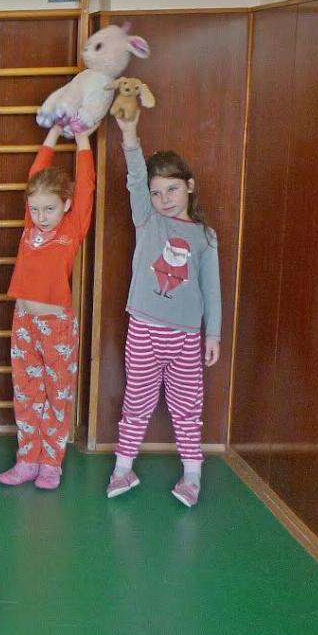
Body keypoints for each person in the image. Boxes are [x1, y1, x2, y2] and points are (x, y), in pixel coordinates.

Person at [107, 112, 221, 507]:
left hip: (187, 337)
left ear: (189, 186)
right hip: (144, 330)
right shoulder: (147, 220)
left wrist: (213, 334)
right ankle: (123, 468)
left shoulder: (205, 237)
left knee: (187, 408)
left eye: (172, 189)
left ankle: (192, 475)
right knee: (136, 401)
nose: (164, 199)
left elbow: (212, 289)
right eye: (156, 193)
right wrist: (129, 133)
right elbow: (135, 177)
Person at [0, 124, 96, 490]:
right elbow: (36, 172)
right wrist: (52, 132)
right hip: (24, 321)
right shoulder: (30, 225)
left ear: (66, 205)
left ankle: (51, 463)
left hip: (57, 326)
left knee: (57, 396)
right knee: (26, 392)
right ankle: (27, 459)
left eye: (49, 208)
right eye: (35, 208)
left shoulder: (72, 229)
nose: (41, 215)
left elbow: (86, 186)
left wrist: (81, 138)